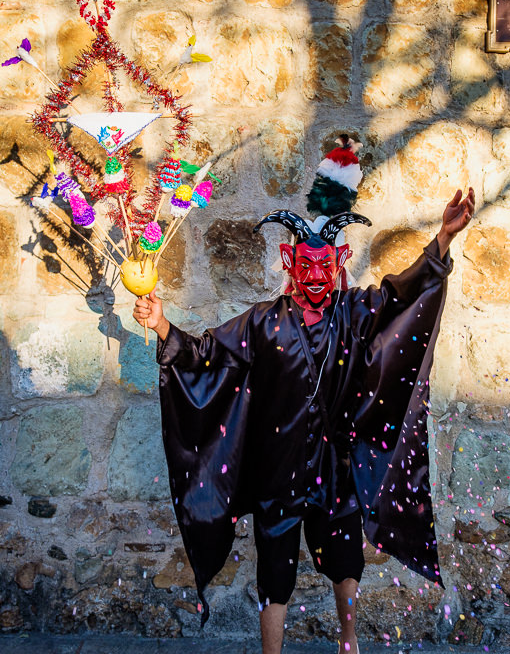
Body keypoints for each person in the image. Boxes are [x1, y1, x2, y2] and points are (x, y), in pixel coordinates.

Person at [133, 187, 475, 654]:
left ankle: (348, 641)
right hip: (279, 467)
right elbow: (206, 354)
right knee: (275, 566)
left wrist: (442, 240)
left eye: (324, 265)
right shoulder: (262, 322)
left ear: (339, 261)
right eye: (306, 265)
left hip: (334, 465)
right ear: (289, 262)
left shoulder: (355, 313)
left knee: (344, 555)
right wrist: (162, 325)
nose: (315, 275)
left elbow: (400, 294)